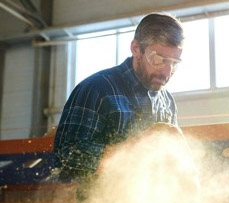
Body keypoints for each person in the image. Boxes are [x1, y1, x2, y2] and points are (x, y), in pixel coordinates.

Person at [53, 12, 184, 183]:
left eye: (174, 63)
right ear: (136, 49)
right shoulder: (96, 89)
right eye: (159, 59)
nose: (167, 72)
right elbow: (66, 157)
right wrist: (131, 151)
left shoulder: (167, 102)